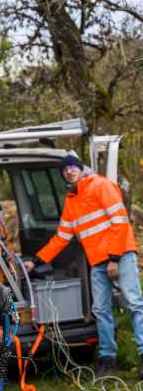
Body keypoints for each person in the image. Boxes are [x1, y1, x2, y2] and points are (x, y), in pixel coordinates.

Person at [25, 154, 143, 378]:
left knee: (135, 304)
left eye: (72, 167)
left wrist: (114, 259)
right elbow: (61, 237)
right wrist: (36, 261)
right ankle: (108, 360)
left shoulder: (100, 185)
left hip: (120, 255)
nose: (69, 171)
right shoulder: (72, 200)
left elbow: (120, 221)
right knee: (100, 310)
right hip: (97, 262)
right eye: (65, 170)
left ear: (80, 168)